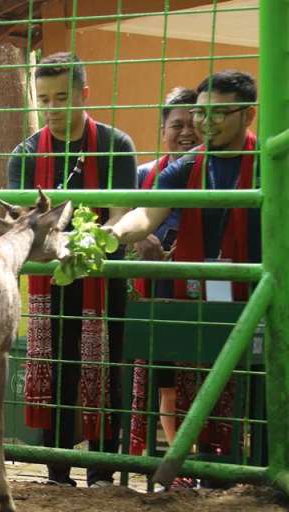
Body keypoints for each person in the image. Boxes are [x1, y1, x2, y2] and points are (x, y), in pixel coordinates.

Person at [109, 70, 259, 484]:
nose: (205, 123)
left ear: (248, 116)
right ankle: (209, 475)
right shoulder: (189, 166)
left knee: (261, 397)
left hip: (259, 296)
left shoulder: (268, 162)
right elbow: (146, 212)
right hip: (201, 300)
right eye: (200, 112)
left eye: (219, 113)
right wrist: (115, 233)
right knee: (196, 386)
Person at [8, 52, 136, 487]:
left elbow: (120, 213)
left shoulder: (116, 145)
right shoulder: (25, 153)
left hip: (103, 271)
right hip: (50, 276)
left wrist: (97, 239)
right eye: (43, 98)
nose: (53, 108)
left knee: (107, 366)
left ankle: (102, 469)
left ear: (84, 93)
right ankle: (56, 470)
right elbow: (24, 219)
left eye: (62, 97)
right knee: (54, 365)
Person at [125, 88, 201, 469]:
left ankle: (205, 458)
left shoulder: (212, 173)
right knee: (164, 383)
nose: (186, 132)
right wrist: (141, 241)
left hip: (203, 290)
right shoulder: (143, 176)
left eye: (193, 123)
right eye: (177, 125)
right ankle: (180, 460)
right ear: (162, 129)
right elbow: (124, 223)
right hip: (154, 290)